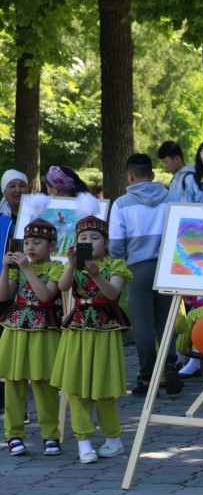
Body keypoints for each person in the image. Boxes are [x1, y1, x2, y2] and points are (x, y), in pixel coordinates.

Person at [51, 194, 132, 464]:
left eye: (94, 238)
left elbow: (112, 293)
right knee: (75, 387)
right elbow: (62, 288)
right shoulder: (72, 265)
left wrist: (97, 274)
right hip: (76, 327)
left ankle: (113, 439)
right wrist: (73, 264)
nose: (88, 242)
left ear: (106, 242)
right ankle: (84, 441)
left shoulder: (116, 265)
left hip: (104, 329)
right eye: (83, 238)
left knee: (103, 388)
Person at [108, 154, 183, 396]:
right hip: (167, 267)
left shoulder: (121, 203)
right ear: (152, 175)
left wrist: (121, 262)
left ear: (129, 176)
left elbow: (116, 244)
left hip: (137, 267)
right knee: (165, 319)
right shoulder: (172, 198)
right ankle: (171, 363)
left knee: (143, 323)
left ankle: (147, 376)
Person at [0, 197, 63, 456]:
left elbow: (45, 296)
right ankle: (13, 435)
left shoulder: (57, 267)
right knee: (13, 382)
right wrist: (5, 269)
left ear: (51, 245)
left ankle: (51, 434)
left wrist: (26, 269)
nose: (30, 247)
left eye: (37, 243)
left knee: (44, 382)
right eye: (27, 243)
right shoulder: (17, 267)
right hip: (16, 326)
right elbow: (4, 296)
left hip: (43, 327)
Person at [0, 170, 28, 249]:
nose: (18, 190)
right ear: (4, 191)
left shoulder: (35, 216)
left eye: (22, 186)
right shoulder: (1, 217)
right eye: (12, 186)